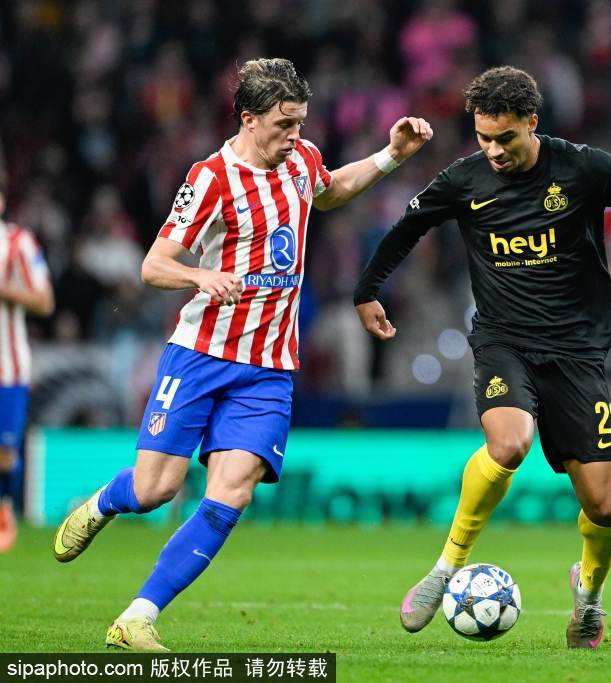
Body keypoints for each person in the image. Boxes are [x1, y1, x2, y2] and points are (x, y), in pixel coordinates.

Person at [52, 58, 432, 651]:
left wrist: (391, 156)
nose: (296, 136)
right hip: (200, 355)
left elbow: (329, 192)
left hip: (269, 367)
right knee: (155, 490)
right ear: (249, 118)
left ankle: (137, 617)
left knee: (234, 490)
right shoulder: (211, 178)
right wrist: (200, 276)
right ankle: (103, 502)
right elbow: (154, 265)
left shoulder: (302, 160)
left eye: (301, 122)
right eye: (284, 124)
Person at [353, 65, 611, 649]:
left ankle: (589, 595)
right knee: (509, 444)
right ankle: (445, 567)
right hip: (505, 342)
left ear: (532, 122)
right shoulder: (465, 179)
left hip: (577, 353)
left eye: (505, 137)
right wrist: (367, 291)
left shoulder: (582, 168)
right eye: (483, 138)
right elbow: (405, 229)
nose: (493, 150)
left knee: (604, 505)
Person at [0, 175, 55, 552]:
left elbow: (44, 301)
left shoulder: (18, 242)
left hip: (7, 366)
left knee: (5, 454)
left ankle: (5, 511)